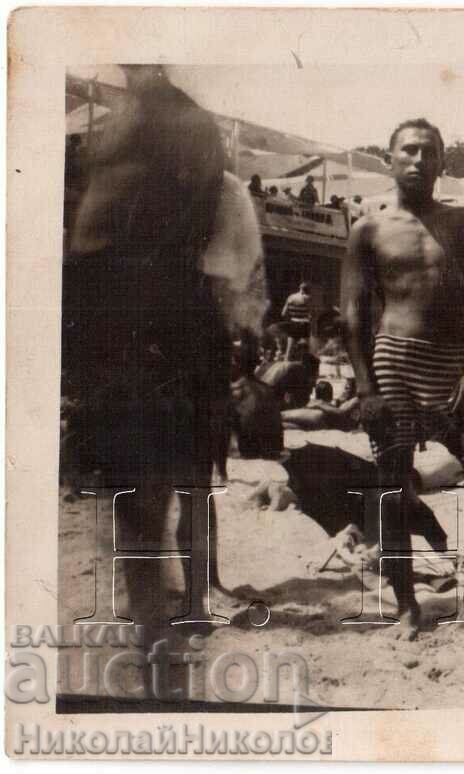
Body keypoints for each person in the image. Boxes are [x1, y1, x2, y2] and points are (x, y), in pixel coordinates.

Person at [63, 64, 234, 631]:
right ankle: (152, 629)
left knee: (160, 482)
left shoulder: (184, 120)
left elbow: (196, 228)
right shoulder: (117, 122)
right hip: (105, 320)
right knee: (130, 492)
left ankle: (161, 628)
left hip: (155, 316)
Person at [343, 117, 464, 640]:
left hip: (450, 366)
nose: (419, 160)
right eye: (409, 151)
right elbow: (352, 312)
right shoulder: (367, 228)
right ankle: (405, 608)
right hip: (393, 360)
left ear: (443, 162)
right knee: (395, 490)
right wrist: (365, 387)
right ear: (391, 160)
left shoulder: (463, 224)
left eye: (429, 152)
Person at [280, 281, 313, 360]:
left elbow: (283, 313)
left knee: (289, 351)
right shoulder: (307, 298)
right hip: (304, 324)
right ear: (308, 290)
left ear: (300, 288)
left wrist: (292, 317)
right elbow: (311, 314)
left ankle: (285, 368)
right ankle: (305, 369)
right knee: (305, 350)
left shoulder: (291, 297)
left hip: (293, 322)